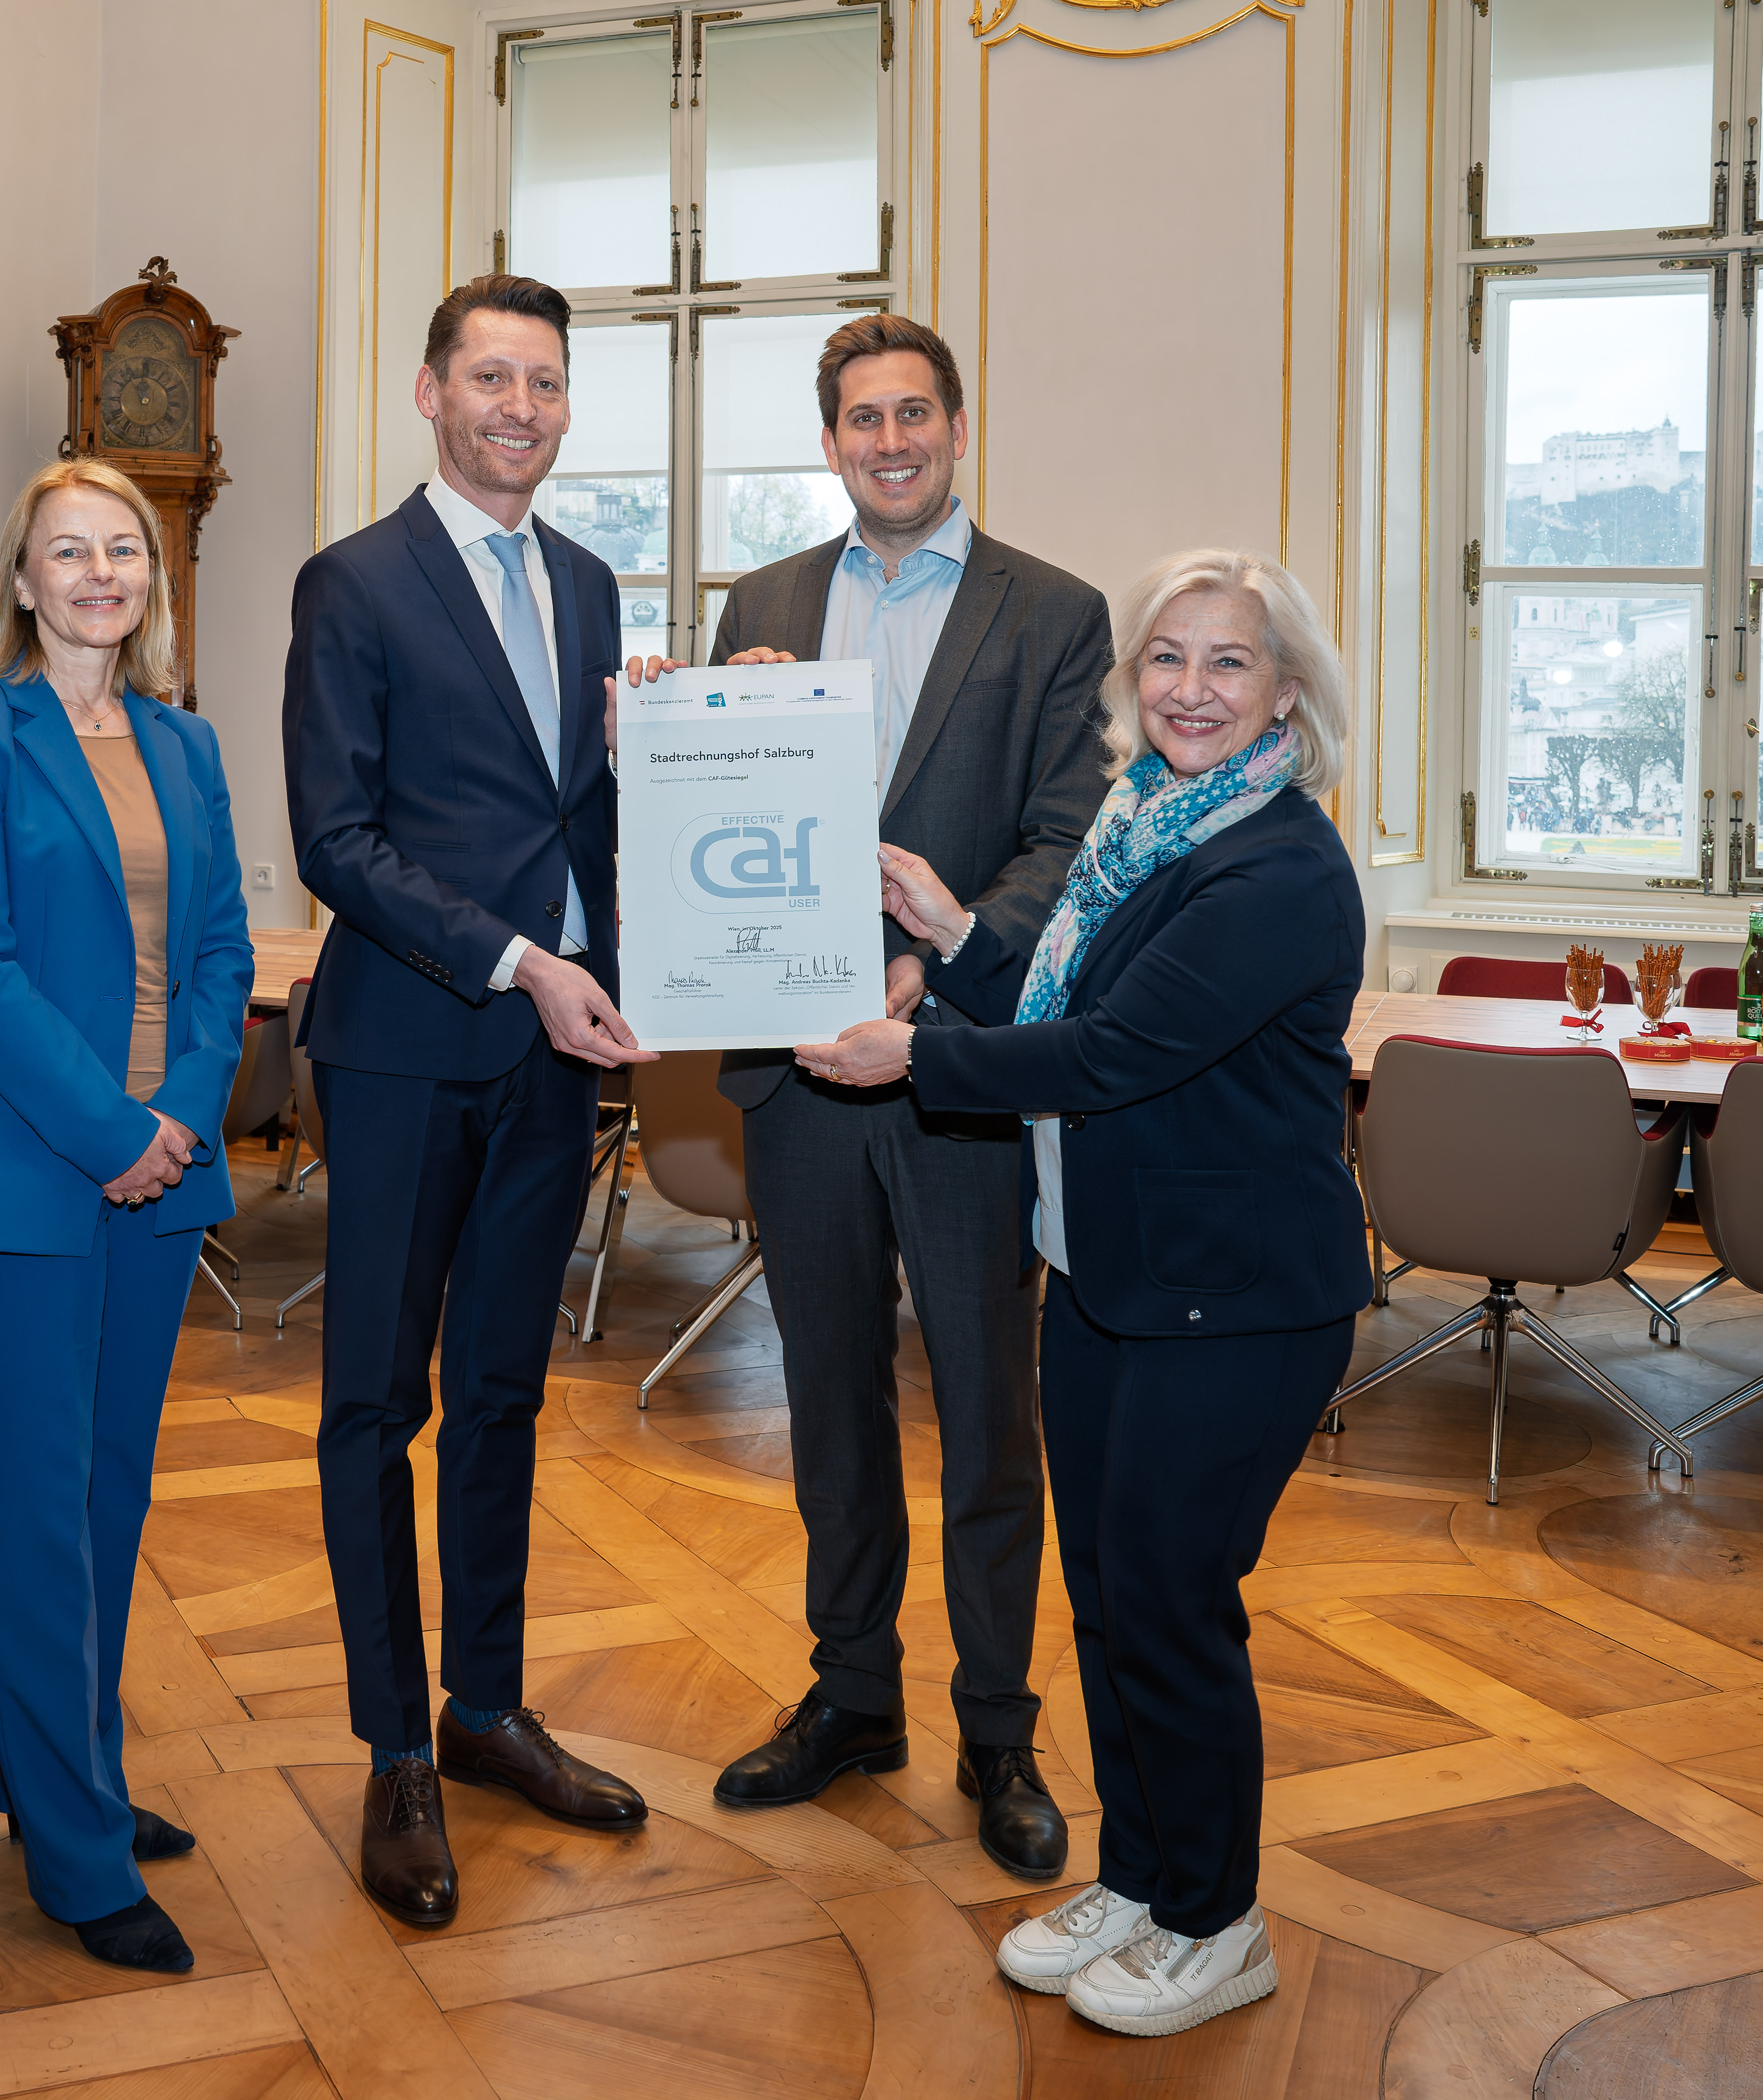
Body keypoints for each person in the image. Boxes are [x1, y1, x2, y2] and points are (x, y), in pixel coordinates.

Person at [793, 549, 1367, 2038]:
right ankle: (1143, 1873)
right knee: (1109, 1601)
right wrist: (952, 927)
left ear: (1285, 693)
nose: (1189, 688)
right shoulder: (1146, 833)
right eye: (1167, 658)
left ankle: (1219, 1917)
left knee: (1175, 1607)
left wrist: (911, 1052)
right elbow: (1061, 997)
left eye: (1227, 662)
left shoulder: (1277, 867)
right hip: (1115, 1277)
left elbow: (1109, 1057)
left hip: (1234, 1303)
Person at [283, 274, 674, 1928]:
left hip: (553, 1062)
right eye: (491, 377)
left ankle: (490, 1705)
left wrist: (682, 742)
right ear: (430, 392)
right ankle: (395, 1750)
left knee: (506, 1391)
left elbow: (579, 810)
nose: (522, 406)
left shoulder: (590, 586)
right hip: (403, 1045)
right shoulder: (352, 581)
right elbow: (338, 840)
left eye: (548, 382)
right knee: (379, 1402)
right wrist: (520, 959)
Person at [699, 315, 1108, 1879]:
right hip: (794, 1071)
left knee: (991, 1412)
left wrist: (930, 982)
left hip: (956, 1072)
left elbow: (1064, 837)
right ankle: (852, 1693)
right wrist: (695, 709)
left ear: (956, 424)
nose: (890, 440)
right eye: (861, 417)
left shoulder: (1054, 612)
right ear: (830, 440)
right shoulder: (764, 600)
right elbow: (709, 796)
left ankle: (998, 1725)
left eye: (914, 413)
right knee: (830, 1399)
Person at [0, 459, 252, 1974]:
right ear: (25, 581)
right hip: (27, 1177)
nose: (99, 571)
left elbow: (229, 950)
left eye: (123, 549)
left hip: (162, 1176)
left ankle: (70, 1777)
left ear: (150, 581)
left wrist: (175, 1120)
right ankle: (74, 1848)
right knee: (39, 1508)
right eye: (69, 550)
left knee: (109, 1497)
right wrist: (117, 1131)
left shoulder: (190, 742)